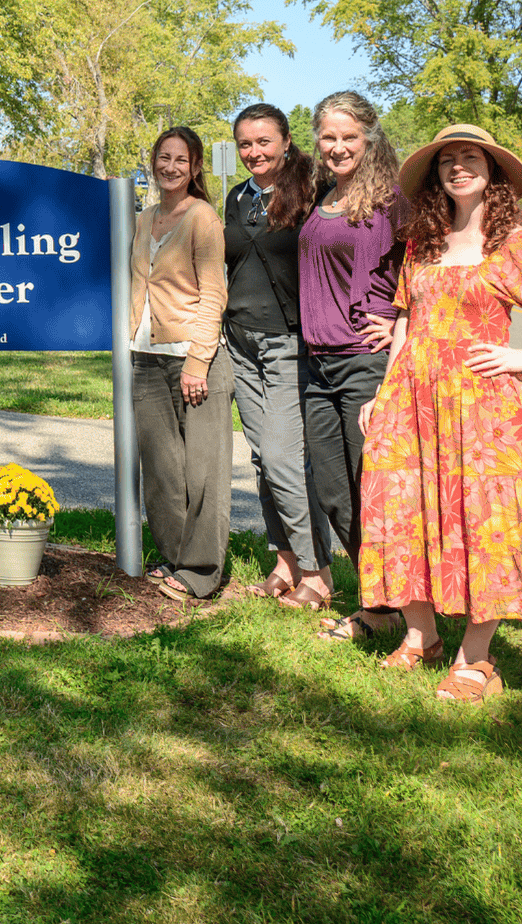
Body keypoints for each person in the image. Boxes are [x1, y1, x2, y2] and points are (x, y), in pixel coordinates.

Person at [355, 126, 522, 700]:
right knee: (406, 512)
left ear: (491, 172)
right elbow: (406, 321)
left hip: (486, 411)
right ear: (435, 177)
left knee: (489, 526)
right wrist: (382, 392)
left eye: (469, 157)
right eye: (447, 160)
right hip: (412, 401)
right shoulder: (421, 243)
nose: (457, 168)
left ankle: (476, 660)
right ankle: (419, 637)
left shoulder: (515, 244)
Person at [300, 90, 404, 637]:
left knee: (371, 488)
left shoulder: (391, 200)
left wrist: (401, 319)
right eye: (329, 136)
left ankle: (383, 611)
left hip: (364, 363)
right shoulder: (324, 194)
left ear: (369, 138)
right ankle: (381, 598)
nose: (338, 147)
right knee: (334, 492)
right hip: (316, 366)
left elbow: (432, 260)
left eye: (349, 137)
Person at [223, 104, 325, 605]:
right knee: (262, 459)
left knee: (285, 460)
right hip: (240, 342)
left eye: (264, 141)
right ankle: (283, 560)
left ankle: (316, 570)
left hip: (290, 344)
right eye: (245, 143)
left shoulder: (312, 190)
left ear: (286, 141)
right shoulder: (236, 199)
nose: (254, 152)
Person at [128, 126, 233, 602]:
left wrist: (197, 360)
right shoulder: (145, 216)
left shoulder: (203, 218)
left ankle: (202, 571)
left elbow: (214, 293)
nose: (170, 167)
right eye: (163, 158)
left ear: (195, 169)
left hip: (195, 360)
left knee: (203, 473)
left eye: (181, 160)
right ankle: (174, 558)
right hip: (146, 358)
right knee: (162, 471)